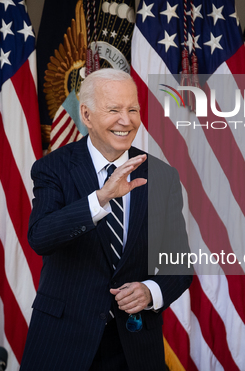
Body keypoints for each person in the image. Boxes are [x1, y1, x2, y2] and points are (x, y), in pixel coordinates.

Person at [20, 68, 192, 371]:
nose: (126, 120)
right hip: (62, 343)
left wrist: (150, 291)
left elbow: (178, 265)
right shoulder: (52, 169)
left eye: (132, 109)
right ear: (86, 115)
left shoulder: (163, 176)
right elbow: (40, 237)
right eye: (114, 110)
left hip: (135, 348)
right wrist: (100, 199)